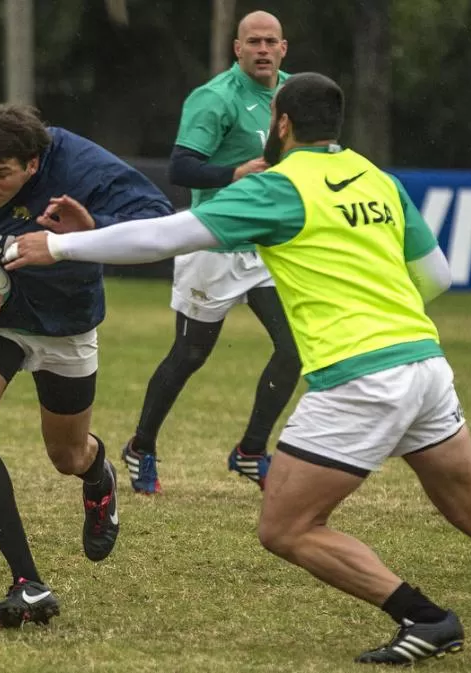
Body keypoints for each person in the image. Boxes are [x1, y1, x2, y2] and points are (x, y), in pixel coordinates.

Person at [2, 73, 471, 664]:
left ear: (281, 124)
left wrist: (61, 248)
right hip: (424, 365)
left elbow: (170, 235)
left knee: (287, 527)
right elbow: (438, 278)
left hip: (359, 380)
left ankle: (426, 619)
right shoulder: (379, 180)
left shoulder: (279, 187)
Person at [0, 102, 174, 627]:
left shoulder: (81, 167)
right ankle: (27, 582)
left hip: (64, 319)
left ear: (33, 165)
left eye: (2, 174)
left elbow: (161, 225)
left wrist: (81, 236)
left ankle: (97, 474)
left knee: (66, 455)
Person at [122, 10, 300, 495]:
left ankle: (249, 450)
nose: (263, 50)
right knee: (190, 353)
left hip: (264, 245)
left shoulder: (295, 95)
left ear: (284, 49)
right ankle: (141, 446)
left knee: (295, 349)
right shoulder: (215, 98)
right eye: (253, 42)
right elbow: (182, 167)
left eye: (271, 42)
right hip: (213, 243)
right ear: (237, 49)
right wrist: (235, 174)